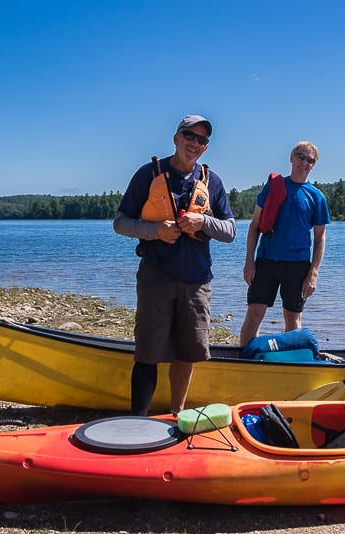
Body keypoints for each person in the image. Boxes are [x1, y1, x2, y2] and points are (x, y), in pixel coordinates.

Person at [113, 114, 236, 416]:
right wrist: (156, 231)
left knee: (188, 352)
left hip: (196, 281)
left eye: (202, 139)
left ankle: (176, 415)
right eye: (189, 136)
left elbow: (231, 232)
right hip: (156, 276)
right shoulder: (148, 175)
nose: (195, 143)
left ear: (206, 147)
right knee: (147, 353)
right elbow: (120, 223)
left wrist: (203, 221)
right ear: (176, 138)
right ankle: (137, 420)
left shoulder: (212, 181)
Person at [239, 141, 331, 346]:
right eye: (300, 156)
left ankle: (291, 364)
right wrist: (249, 262)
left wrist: (313, 273)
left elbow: (320, 238)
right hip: (266, 261)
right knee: (254, 313)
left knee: (293, 318)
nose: (304, 162)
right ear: (291, 158)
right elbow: (254, 226)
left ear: (313, 165)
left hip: (297, 266)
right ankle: (245, 359)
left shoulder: (316, 197)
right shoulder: (274, 187)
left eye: (310, 160)